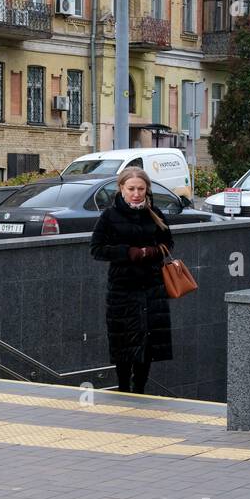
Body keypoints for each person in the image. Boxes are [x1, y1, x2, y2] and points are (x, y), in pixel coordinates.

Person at [90, 167, 175, 395]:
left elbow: (168, 244)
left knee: (147, 343)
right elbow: (96, 249)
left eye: (140, 188)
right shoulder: (109, 216)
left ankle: (140, 391)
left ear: (147, 189)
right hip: (122, 290)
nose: (136, 193)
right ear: (121, 188)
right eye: (131, 189)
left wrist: (150, 252)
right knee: (123, 342)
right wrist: (128, 253)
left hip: (152, 288)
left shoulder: (154, 213)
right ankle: (123, 389)